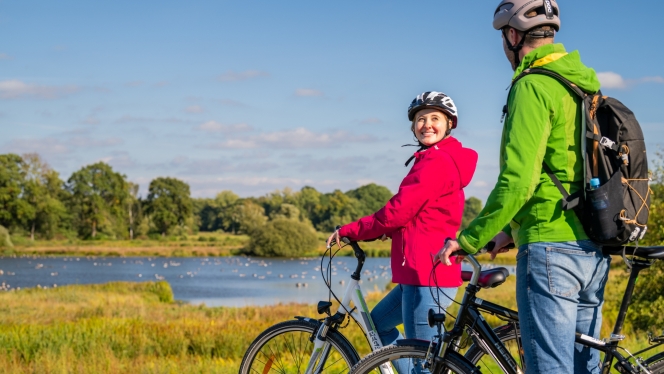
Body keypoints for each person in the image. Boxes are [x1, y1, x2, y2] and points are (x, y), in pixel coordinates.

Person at [437, 1, 610, 373]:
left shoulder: (533, 86)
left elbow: (519, 180)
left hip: (551, 250)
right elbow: (567, 171)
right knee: (585, 369)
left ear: (513, 36)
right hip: (591, 247)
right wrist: (508, 233)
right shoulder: (580, 83)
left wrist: (468, 239)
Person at [327, 91, 478, 374]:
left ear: (449, 124)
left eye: (435, 118)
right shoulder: (433, 159)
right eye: (421, 119)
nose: (427, 124)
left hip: (427, 273)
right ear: (412, 126)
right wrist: (397, 230)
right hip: (419, 272)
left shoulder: (437, 161)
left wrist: (351, 231)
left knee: (425, 361)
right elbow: (421, 213)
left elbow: (397, 211)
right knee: (379, 325)